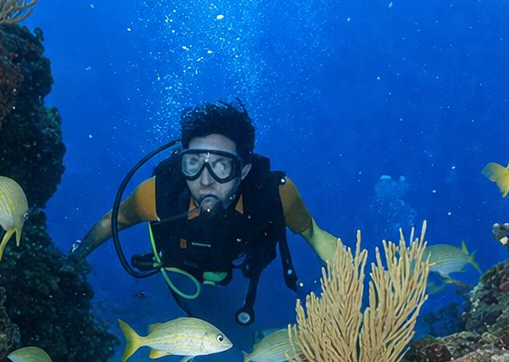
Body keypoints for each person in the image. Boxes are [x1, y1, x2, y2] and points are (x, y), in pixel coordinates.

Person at [71, 100, 341, 329]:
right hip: (182, 271)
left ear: (244, 171)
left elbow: (314, 234)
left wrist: (352, 276)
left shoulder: (275, 194)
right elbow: (111, 221)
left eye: (222, 166)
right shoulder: (157, 194)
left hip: (237, 269)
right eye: (193, 164)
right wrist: (73, 261)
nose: (205, 181)